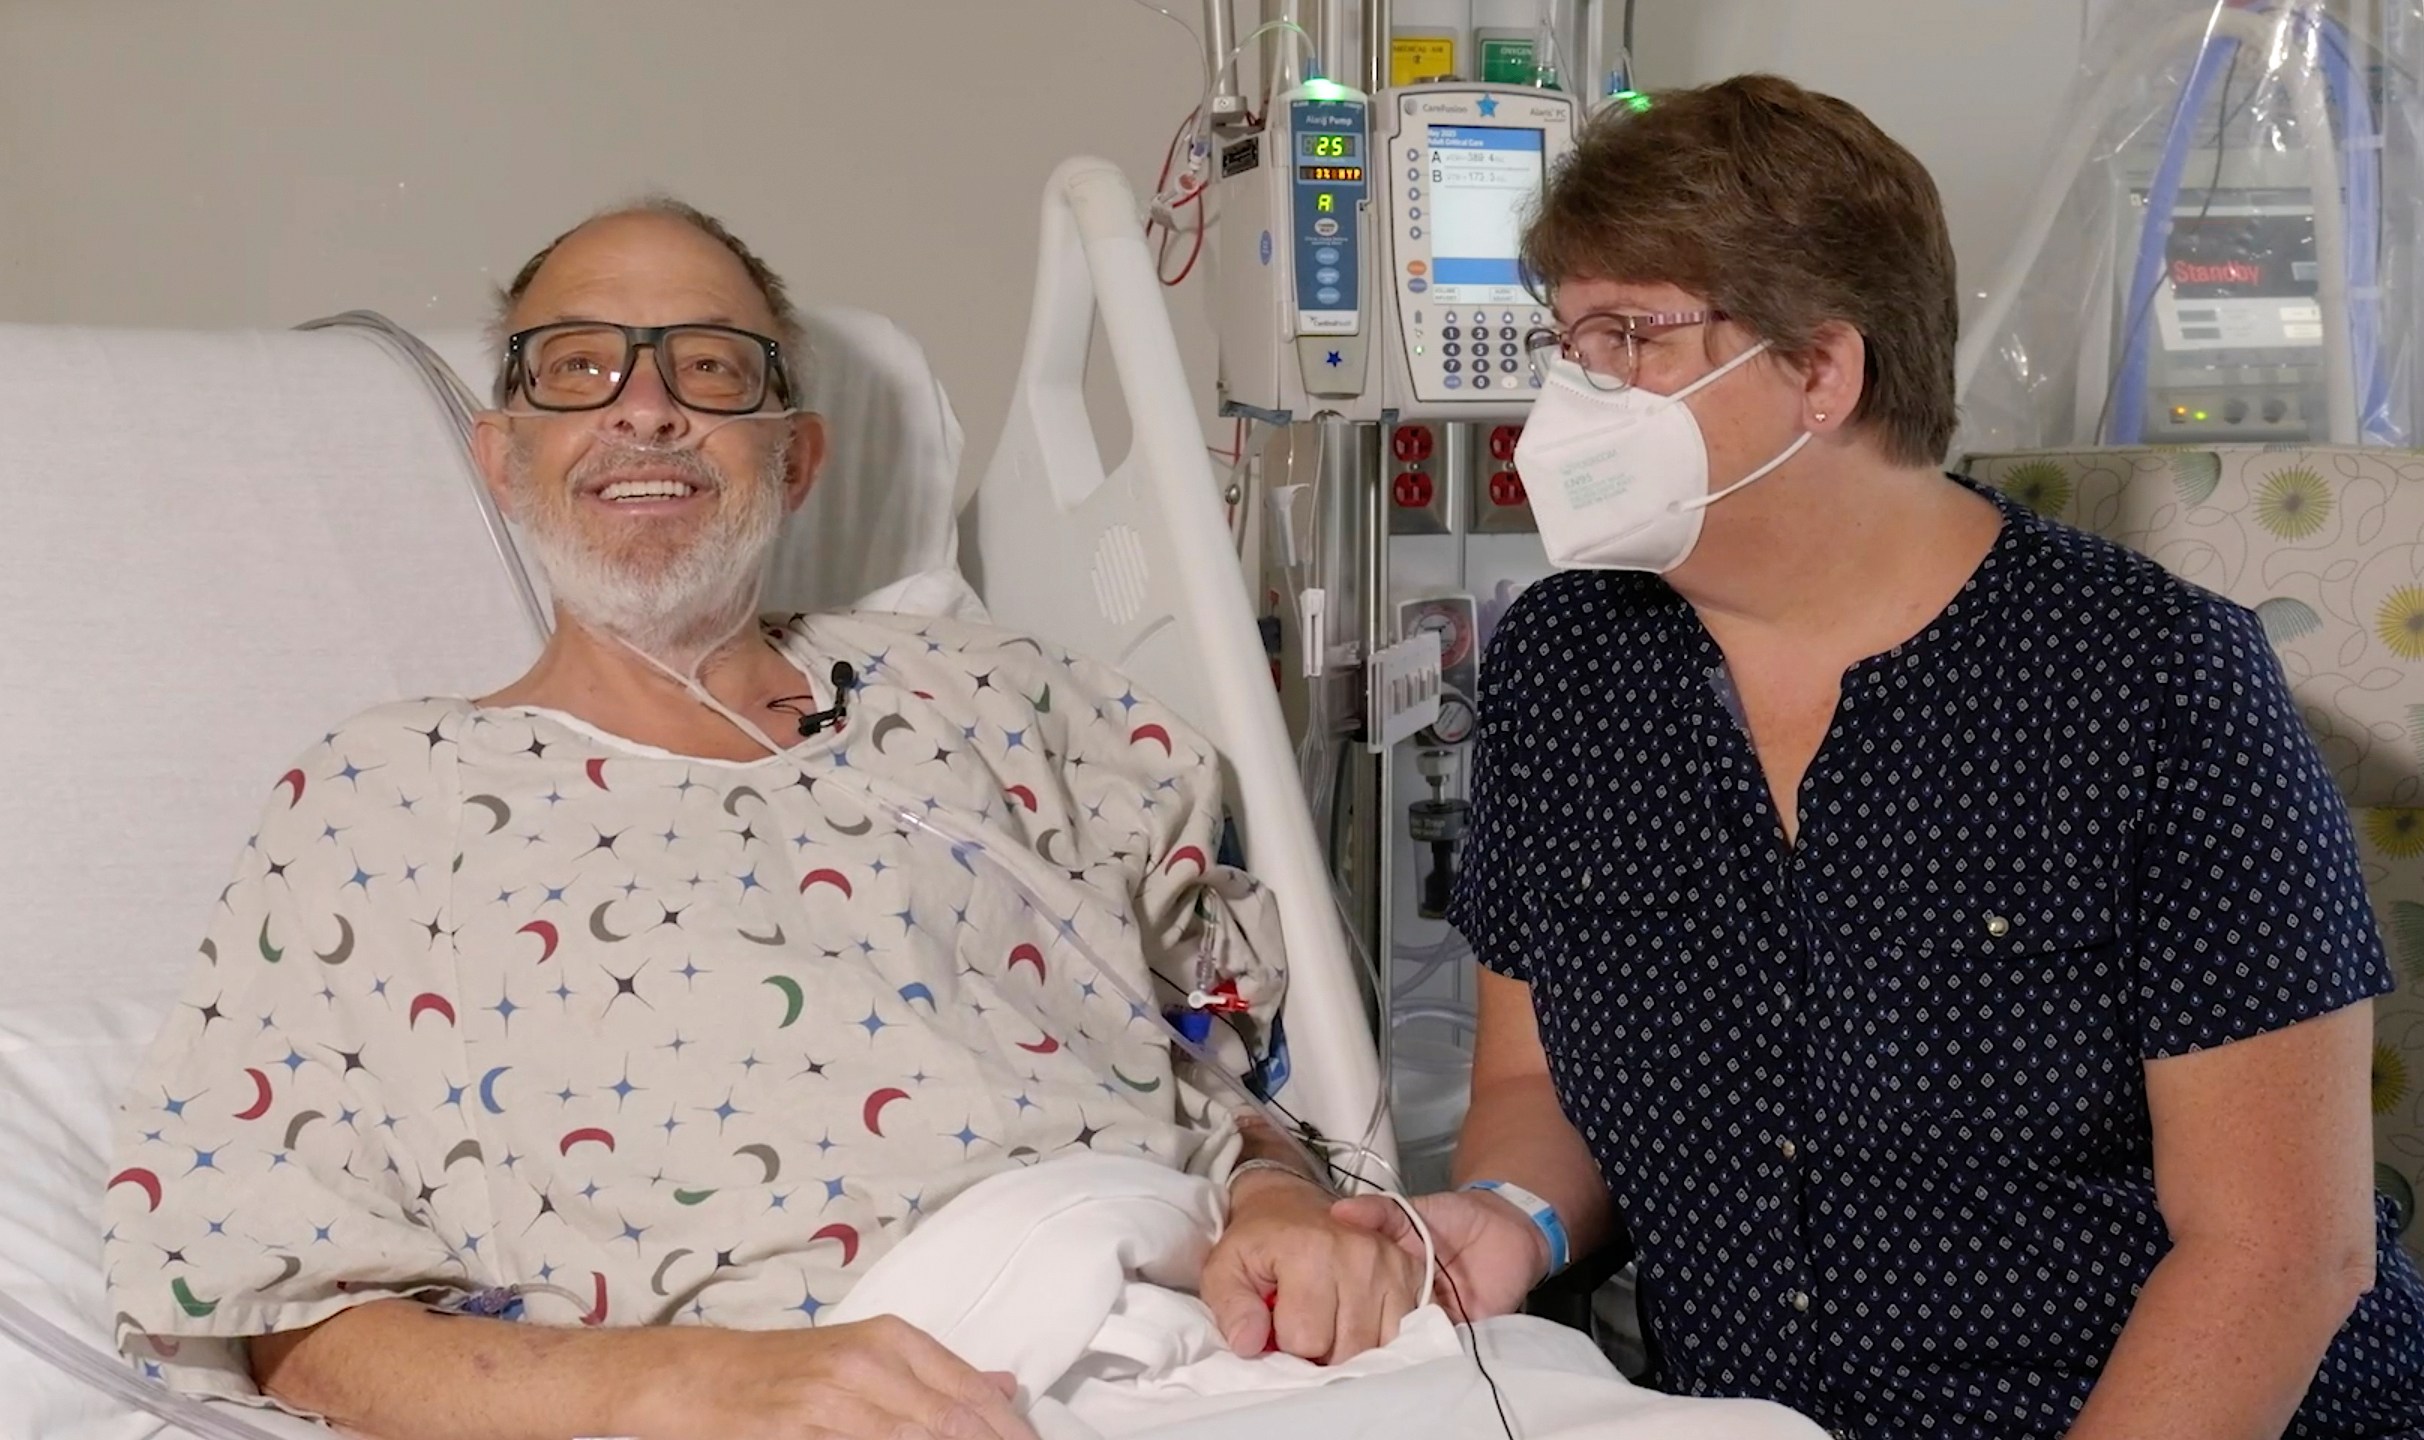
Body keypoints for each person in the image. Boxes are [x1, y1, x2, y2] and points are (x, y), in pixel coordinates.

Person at [102, 199, 1418, 1440]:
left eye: (713, 372)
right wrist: (697, 1385)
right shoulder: (381, 801)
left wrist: (1284, 1203)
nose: (649, 412)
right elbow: (286, 1320)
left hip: (1225, 1337)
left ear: (796, 457)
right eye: (578, 370)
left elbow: (1232, 1062)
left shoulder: (1003, 699)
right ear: (504, 457)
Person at [1330, 75, 2424, 1438]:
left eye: (1629, 337)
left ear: (1822, 371)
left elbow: (2281, 1256)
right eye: (1567, 342)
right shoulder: (1569, 666)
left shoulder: (2153, 685)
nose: (1571, 397)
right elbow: (1531, 1079)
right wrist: (1510, 1219)